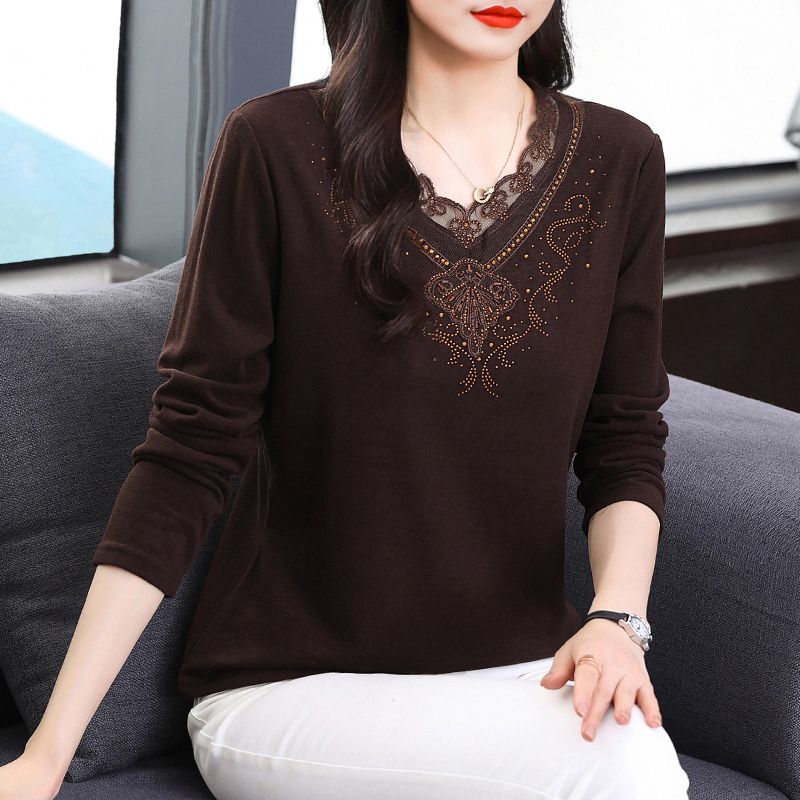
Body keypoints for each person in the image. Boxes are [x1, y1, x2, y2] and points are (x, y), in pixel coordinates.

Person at [0, 1, 692, 798]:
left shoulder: (620, 160)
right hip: (290, 688)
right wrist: (47, 756)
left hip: (523, 674)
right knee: (626, 773)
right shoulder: (274, 146)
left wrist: (616, 621)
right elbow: (189, 452)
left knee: (626, 751)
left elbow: (624, 435)